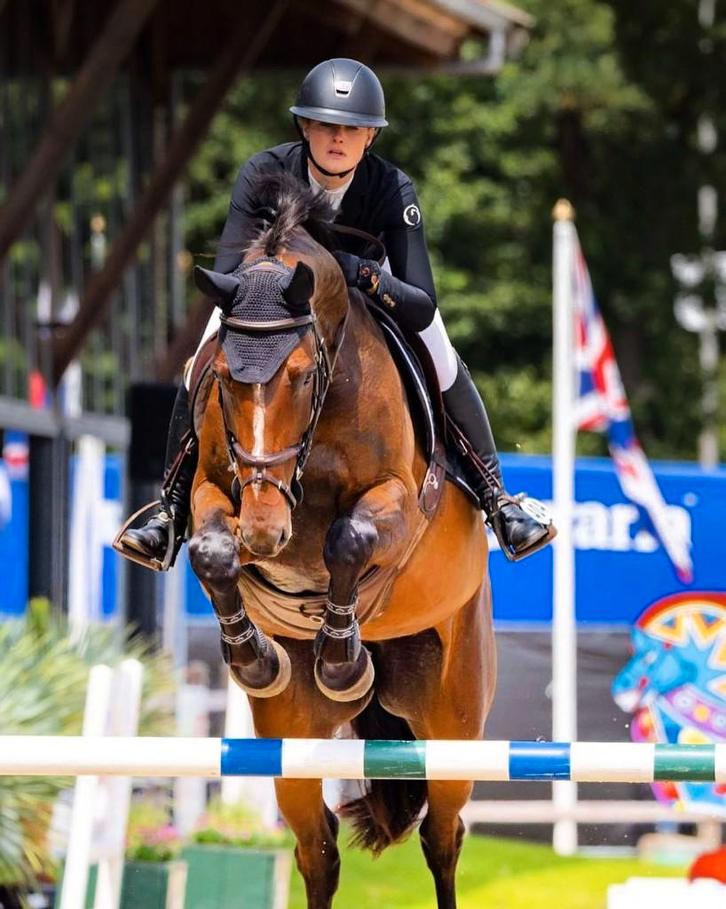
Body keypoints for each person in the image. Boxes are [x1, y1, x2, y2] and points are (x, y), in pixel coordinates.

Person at [118, 58, 554, 569]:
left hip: (366, 294)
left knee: (440, 352)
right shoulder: (263, 173)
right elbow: (232, 271)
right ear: (305, 127)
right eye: (326, 125)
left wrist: (360, 272)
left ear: (370, 137)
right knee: (202, 355)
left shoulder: (391, 187)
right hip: (274, 302)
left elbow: (421, 300)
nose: (338, 138)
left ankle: (497, 499)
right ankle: (170, 511)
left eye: (351, 128)